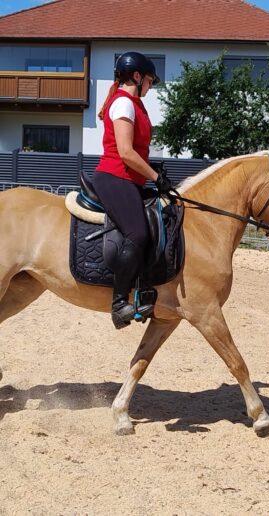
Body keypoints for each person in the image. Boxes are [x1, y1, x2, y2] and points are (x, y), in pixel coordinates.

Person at [92, 51, 172, 329]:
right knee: (136, 232)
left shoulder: (134, 104)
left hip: (129, 180)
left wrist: (152, 171)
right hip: (114, 177)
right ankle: (118, 304)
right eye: (149, 81)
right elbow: (125, 152)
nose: (150, 86)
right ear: (137, 77)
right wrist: (154, 176)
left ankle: (143, 291)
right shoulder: (124, 104)